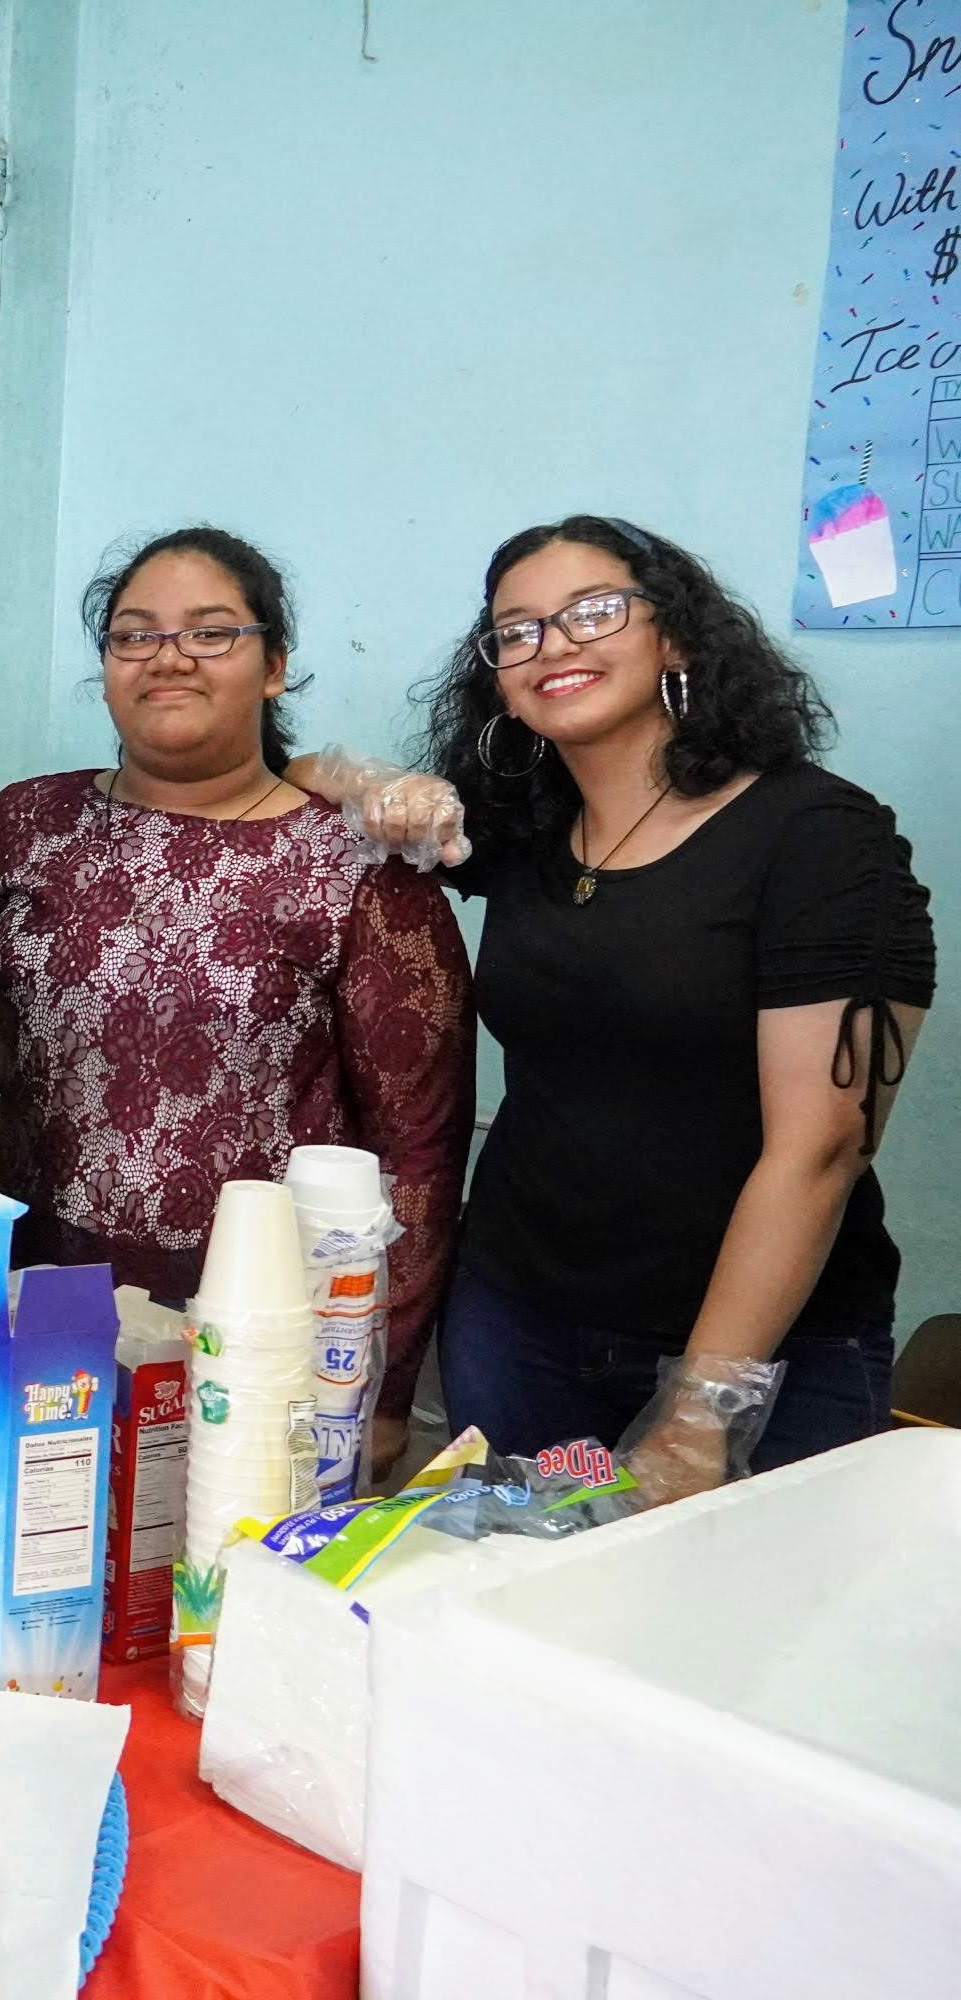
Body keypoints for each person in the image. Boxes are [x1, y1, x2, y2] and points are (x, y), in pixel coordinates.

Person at [392, 515, 933, 1497]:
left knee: (743, 1600)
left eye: (594, 610)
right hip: (516, 1320)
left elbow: (822, 1149)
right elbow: (300, 779)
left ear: (676, 637)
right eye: (517, 630)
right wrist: (374, 786)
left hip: (765, 1358)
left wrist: (702, 1406)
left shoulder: (820, 837)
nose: (554, 643)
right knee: (521, 1591)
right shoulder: (526, 834)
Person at [0, 528, 474, 1477]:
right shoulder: (23, 825)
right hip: (32, 1303)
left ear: (275, 667)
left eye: (211, 632)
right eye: (135, 634)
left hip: (260, 1340)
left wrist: (381, 1387)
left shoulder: (358, 864)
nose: (169, 657)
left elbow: (418, 1150)